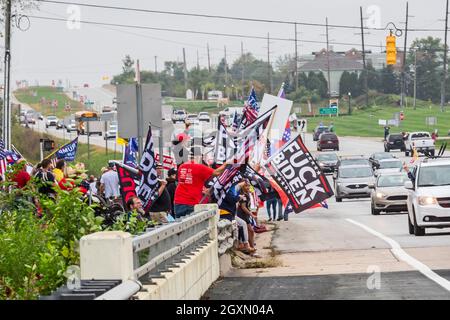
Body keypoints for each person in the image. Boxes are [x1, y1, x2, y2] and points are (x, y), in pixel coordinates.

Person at [173, 147, 228, 218]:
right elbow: (216, 172)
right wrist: (226, 164)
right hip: (191, 202)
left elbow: (189, 181)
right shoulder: (200, 167)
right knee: (193, 227)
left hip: (178, 201)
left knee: (180, 225)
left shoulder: (182, 167)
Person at [236, 179, 256, 253]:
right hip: (242, 215)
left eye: (248, 186)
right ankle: (250, 248)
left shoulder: (247, 194)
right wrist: (252, 215)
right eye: (245, 186)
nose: (247, 187)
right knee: (250, 231)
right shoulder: (243, 195)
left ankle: (251, 248)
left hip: (245, 215)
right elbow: (243, 207)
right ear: (242, 186)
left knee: (251, 231)